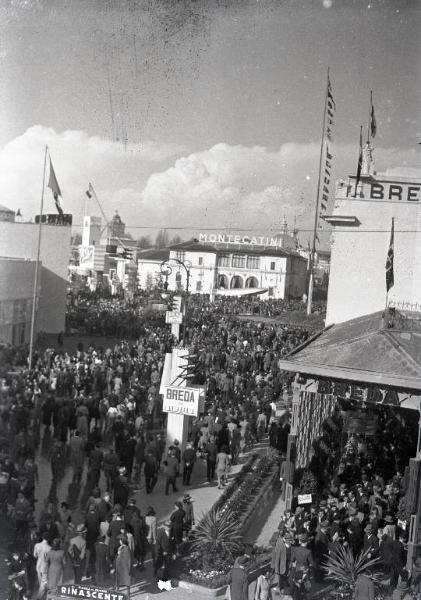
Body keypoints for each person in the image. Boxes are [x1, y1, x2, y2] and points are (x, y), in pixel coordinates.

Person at [33, 532, 51, 599]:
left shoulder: (37, 545)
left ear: (42, 538)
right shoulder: (49, 548)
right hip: (45, 566)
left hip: (38, 565)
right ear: (48, 539)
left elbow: (35, 555)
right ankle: (39, 597)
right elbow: (49, 559)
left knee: (41, 582)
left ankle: (42, 596)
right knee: (43, 584)